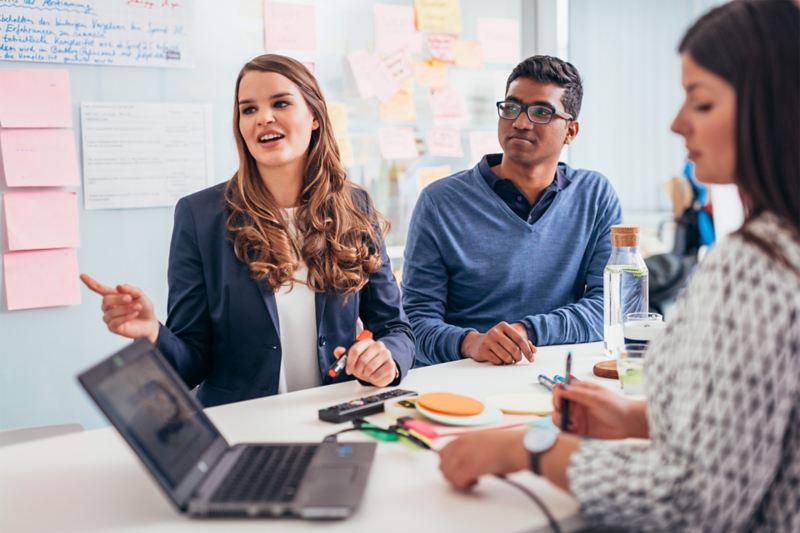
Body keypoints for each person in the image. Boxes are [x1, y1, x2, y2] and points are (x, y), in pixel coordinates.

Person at [438, 1, 800, 530]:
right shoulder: (779, 247)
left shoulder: (755, 264)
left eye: (700, 103)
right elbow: (755, 423)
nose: (676, 123)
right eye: (510, 107)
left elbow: (691, 499)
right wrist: (634, 417)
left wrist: (528, 450)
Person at [82, 54, 415, 407]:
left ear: (315, 116)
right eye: (249, 109)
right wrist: (152, 332)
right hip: (243, 427)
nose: (264, 118)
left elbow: (396, 329)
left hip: (336, 418)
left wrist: (387, 360)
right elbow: (190, 363)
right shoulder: (200, 216)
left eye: (280, 103)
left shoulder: (354, 205)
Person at [402, 55, 622, 367]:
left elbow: (611, 307)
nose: (520, 122)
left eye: (541, 112)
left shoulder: (595, 196)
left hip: (552, 371)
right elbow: (413, 322)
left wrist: (528, 331)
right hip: (459, 379)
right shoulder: (440, 202)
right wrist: (471, 343)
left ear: (571, 132)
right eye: (511, 107)